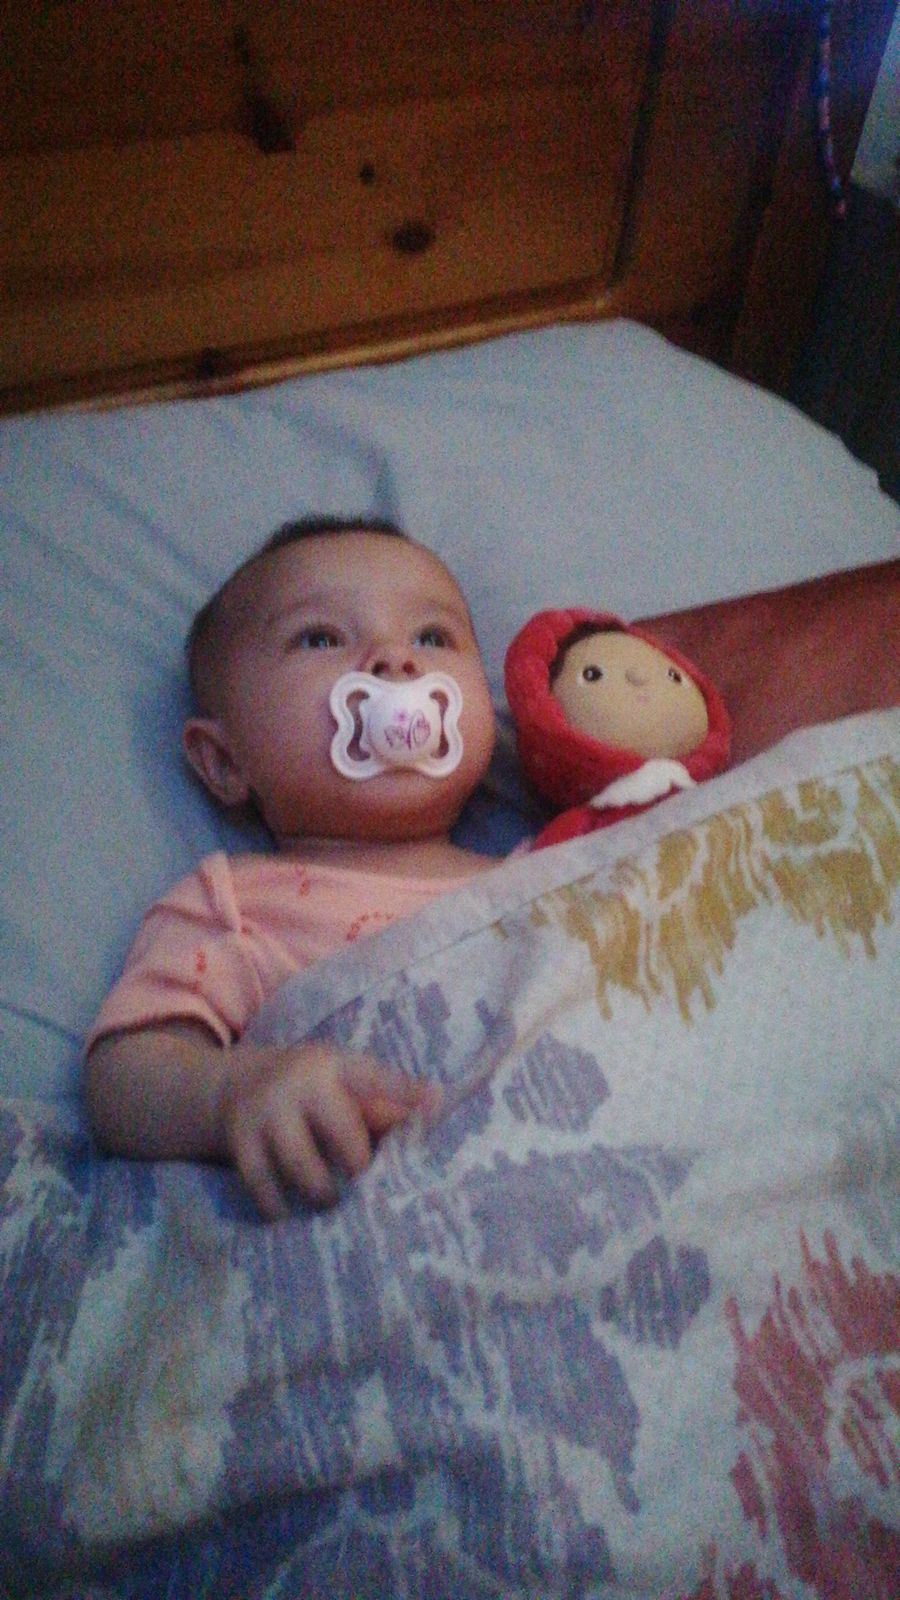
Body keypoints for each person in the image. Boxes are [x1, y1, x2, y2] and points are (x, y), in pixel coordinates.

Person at [86, 517, 498, 1219]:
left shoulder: (553, 868)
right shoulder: (237, 906)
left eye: (432, 637)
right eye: (321, 639)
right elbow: (121, 1079)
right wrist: (231, 1092)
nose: (395, 661)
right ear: (224, 761)